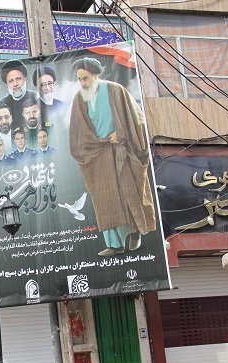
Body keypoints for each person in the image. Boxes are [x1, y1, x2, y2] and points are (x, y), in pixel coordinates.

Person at [69, 57, 156, 257]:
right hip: (97, 156)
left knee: (128, 193)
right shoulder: (78, 99)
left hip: (121, 150)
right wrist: (93, 144)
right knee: (105, 200)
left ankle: (135, 233)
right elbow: (77, 132)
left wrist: (121, 134)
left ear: (95, 75)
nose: (82, 83)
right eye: (79, 79)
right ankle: (114, 244)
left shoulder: (115, 90)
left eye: (85, 78)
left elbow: (137, 120)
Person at [0, 59, 38, 132]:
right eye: (11, 81)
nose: (15, 84)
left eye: (18, 79)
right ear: (7, 84)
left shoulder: (36, 97)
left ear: (24, 79)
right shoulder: (2, 104)